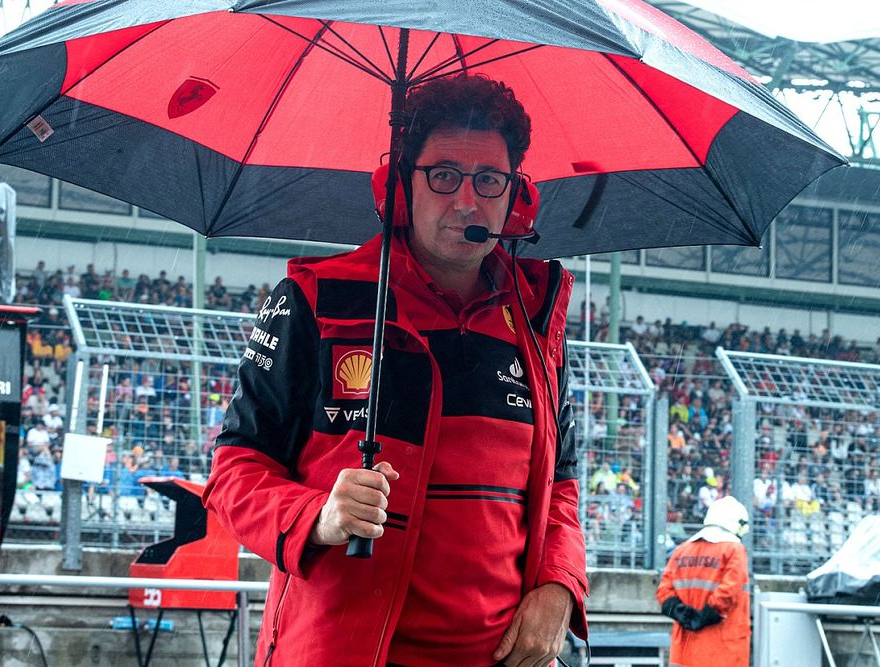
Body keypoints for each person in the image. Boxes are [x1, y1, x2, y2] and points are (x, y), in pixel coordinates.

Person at [203, 74, 587, 666]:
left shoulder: (537, 320)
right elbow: (234, 472)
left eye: (489, 179)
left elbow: (560, 485)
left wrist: (560, 586)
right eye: (443, 175)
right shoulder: (314, 300)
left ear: (517, 196)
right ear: (400, 185)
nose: (467, 200)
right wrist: (318, 516)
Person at [655, 496, 751, 667]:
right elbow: (728, 593)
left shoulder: (682, 550)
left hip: (683, 653)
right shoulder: (734, 550)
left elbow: (664, 593)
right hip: (722, 651)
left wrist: (683, 614)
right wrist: (704, 617)